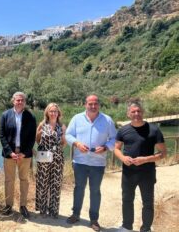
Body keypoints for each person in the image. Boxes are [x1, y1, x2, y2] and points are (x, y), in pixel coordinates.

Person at [65, 94, 117, 231]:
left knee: (95, 191)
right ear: (85, 105)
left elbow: (114, 139)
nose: (93, 106)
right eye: (90, 104)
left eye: (95, 104)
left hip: (98, 163)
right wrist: (76, 143)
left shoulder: (107, 120)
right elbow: (68, 135)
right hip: (80, 162)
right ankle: (75, 214)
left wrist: (105, 147)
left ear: (99, 104)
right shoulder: (77, 118)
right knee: (78, 188)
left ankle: (94, 220)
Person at [114, 101, 167, 232]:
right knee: (127, 200)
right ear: (128, 114)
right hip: (128, 172)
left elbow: (163, 153)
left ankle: (146, 228)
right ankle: (126, 227)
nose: (136, 114)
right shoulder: (123, 130)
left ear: (142, 113)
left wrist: (146, 159)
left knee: (148, 202)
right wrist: (123, 158)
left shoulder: (154, 130)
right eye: (133, 111)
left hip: (147, 172)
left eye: (139, 111)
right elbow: (116, 149)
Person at [0, 92, 36, 218]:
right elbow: (2, 135)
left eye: (22, 100)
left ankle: (23, 206)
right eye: (17, 100)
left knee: (24, 180)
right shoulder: (5, 115)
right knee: (9, 180)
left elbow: (32, 137)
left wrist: (24, 153)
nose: (20, 102)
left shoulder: (30, 116)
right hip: (9, 153)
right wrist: (10, 152)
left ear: (25, 102)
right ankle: (8, 206)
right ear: (13, 101)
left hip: (25, 154)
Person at [35, 103, 66, 218]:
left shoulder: (62, 126)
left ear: (58, 113)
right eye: (51, 111)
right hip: (44, 157)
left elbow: (64, 143)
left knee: (56, 184)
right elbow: (37, 140)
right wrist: (46, 149)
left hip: (58, 158)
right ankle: (43, 209)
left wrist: (56, 150)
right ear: (47, 113)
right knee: (43, 183)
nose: (53, 113)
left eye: (55, 111)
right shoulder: (42, 125)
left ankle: (53, 210)